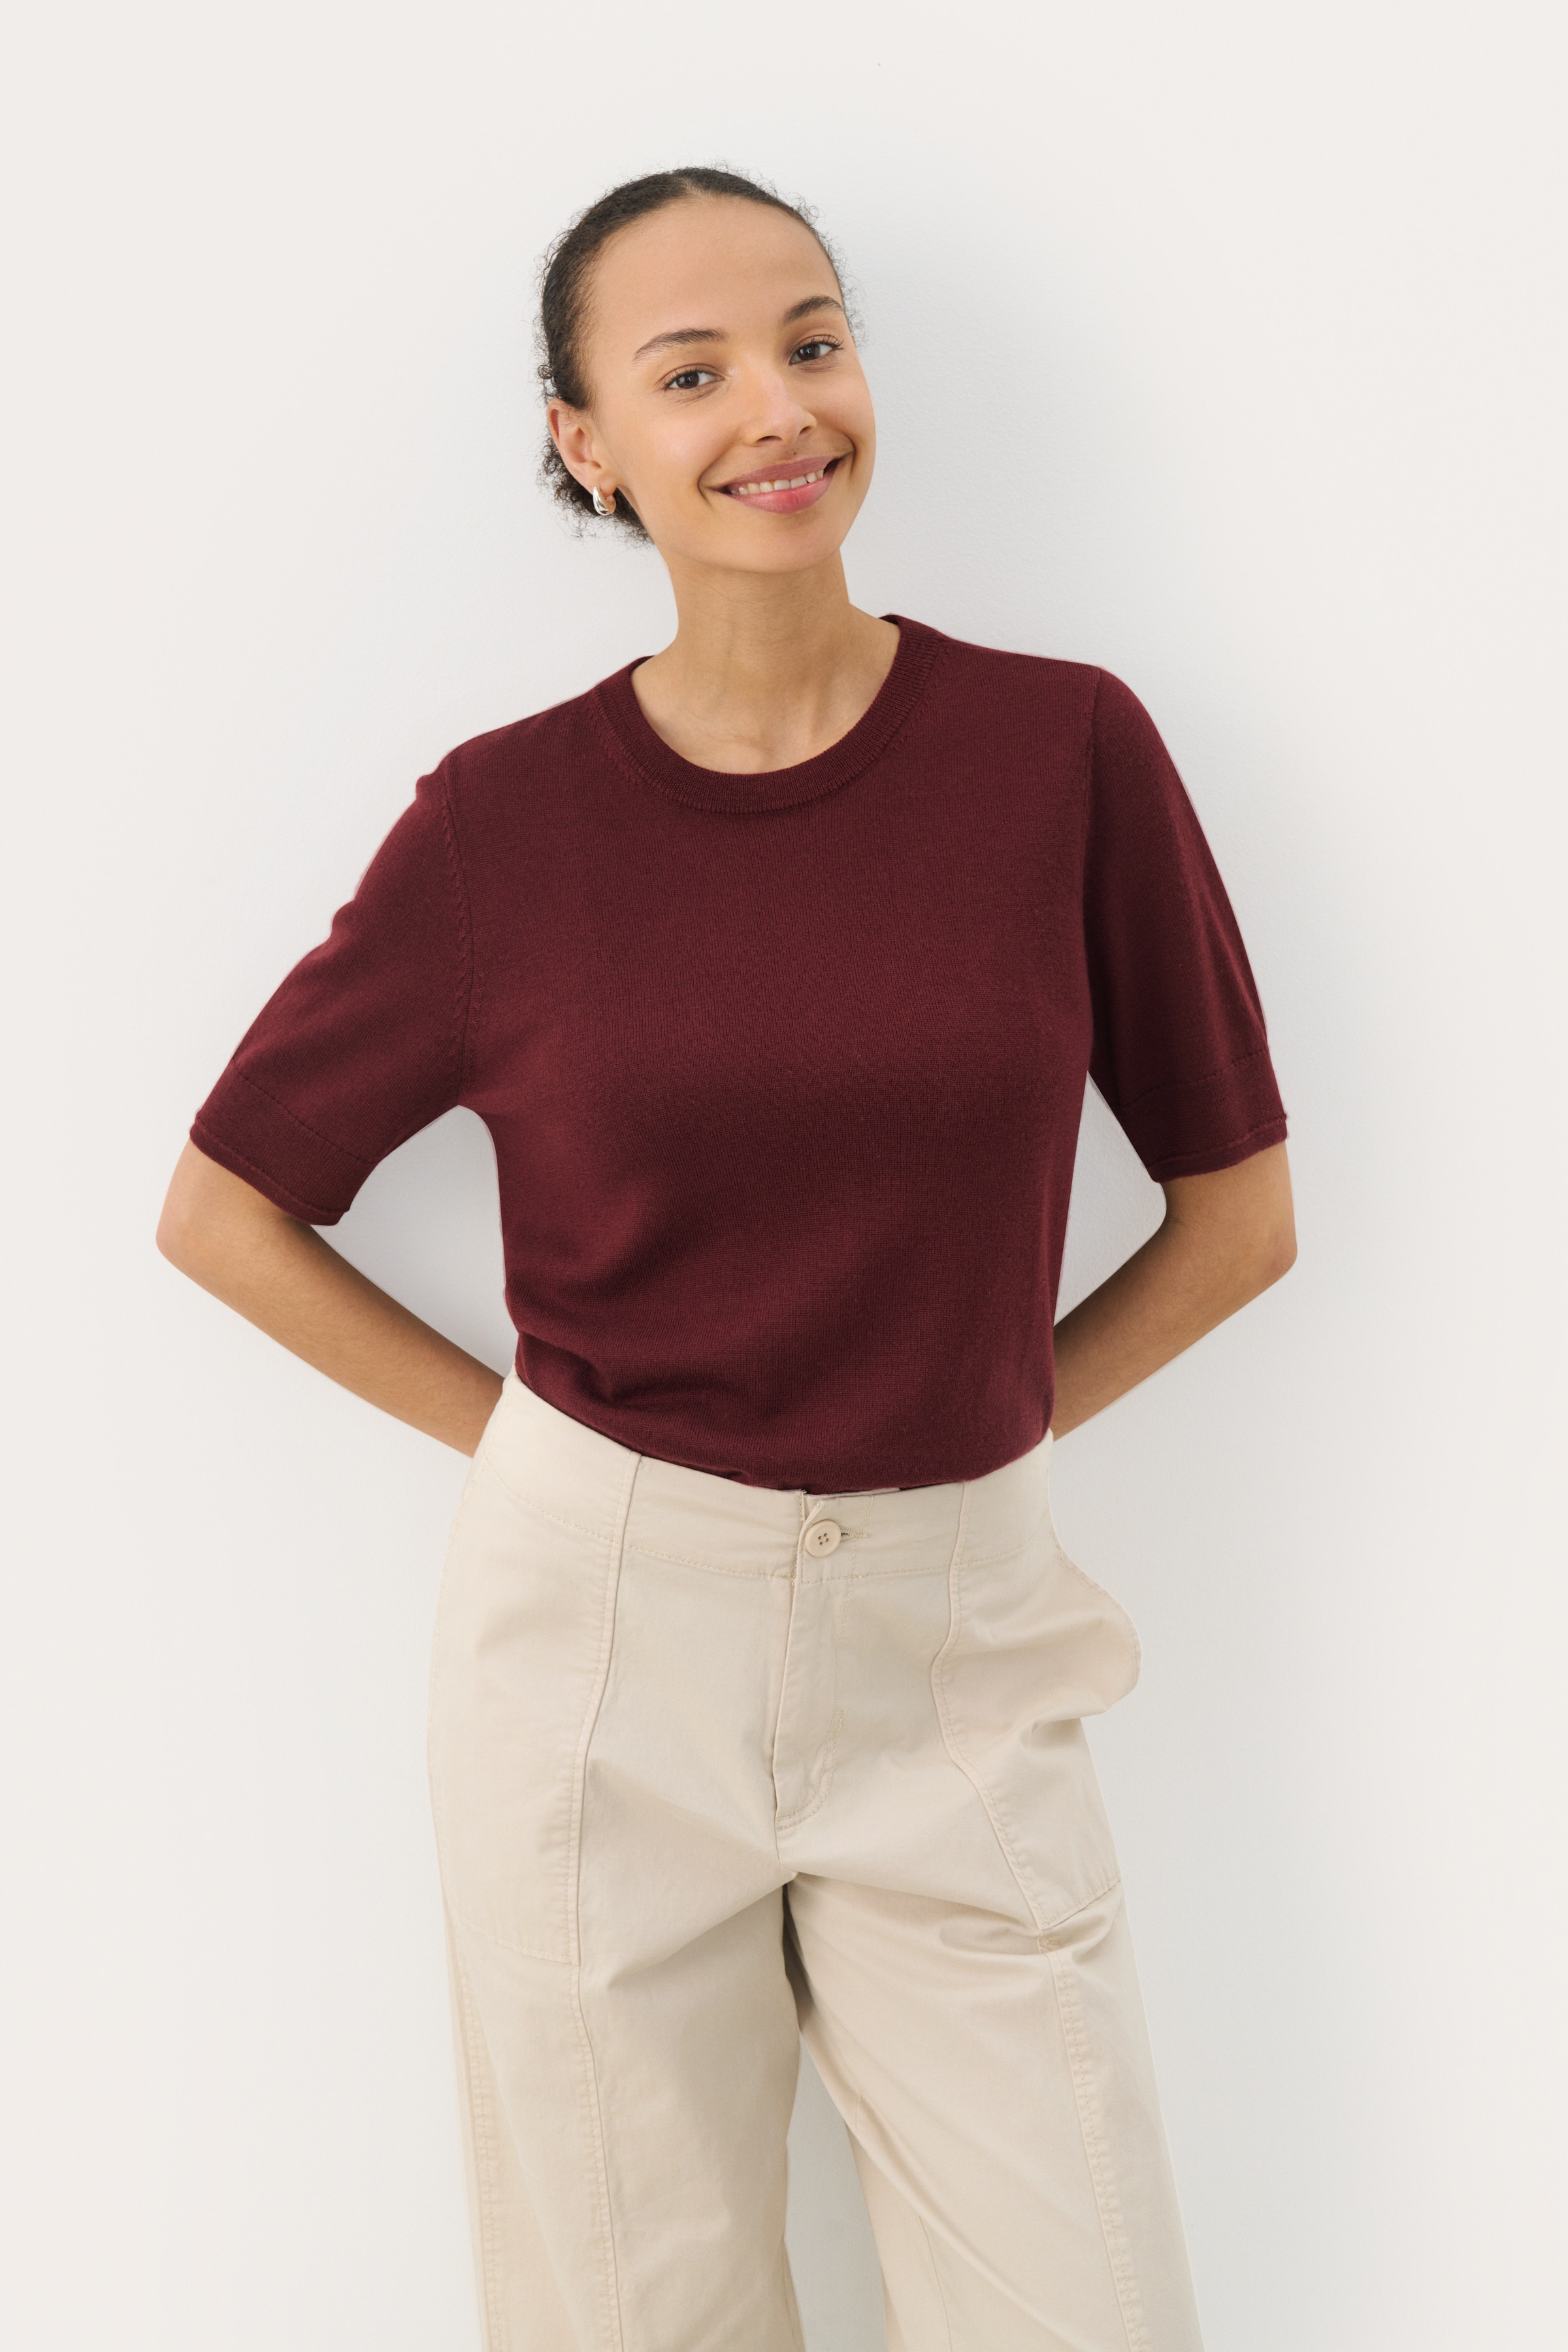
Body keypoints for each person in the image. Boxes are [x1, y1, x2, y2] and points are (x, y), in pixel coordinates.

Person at [158, 165, 1296, 2352]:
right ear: (586, 444)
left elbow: (1240, 1217)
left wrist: (977, 1423)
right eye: (690, 374)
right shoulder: (503, 825)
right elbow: (227, 1204)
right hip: (599, 1653)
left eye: (813, 341)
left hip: (959, 1646)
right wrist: (539, 1455)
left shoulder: (1065, 752)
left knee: (1089, 2304)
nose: (779, 408)